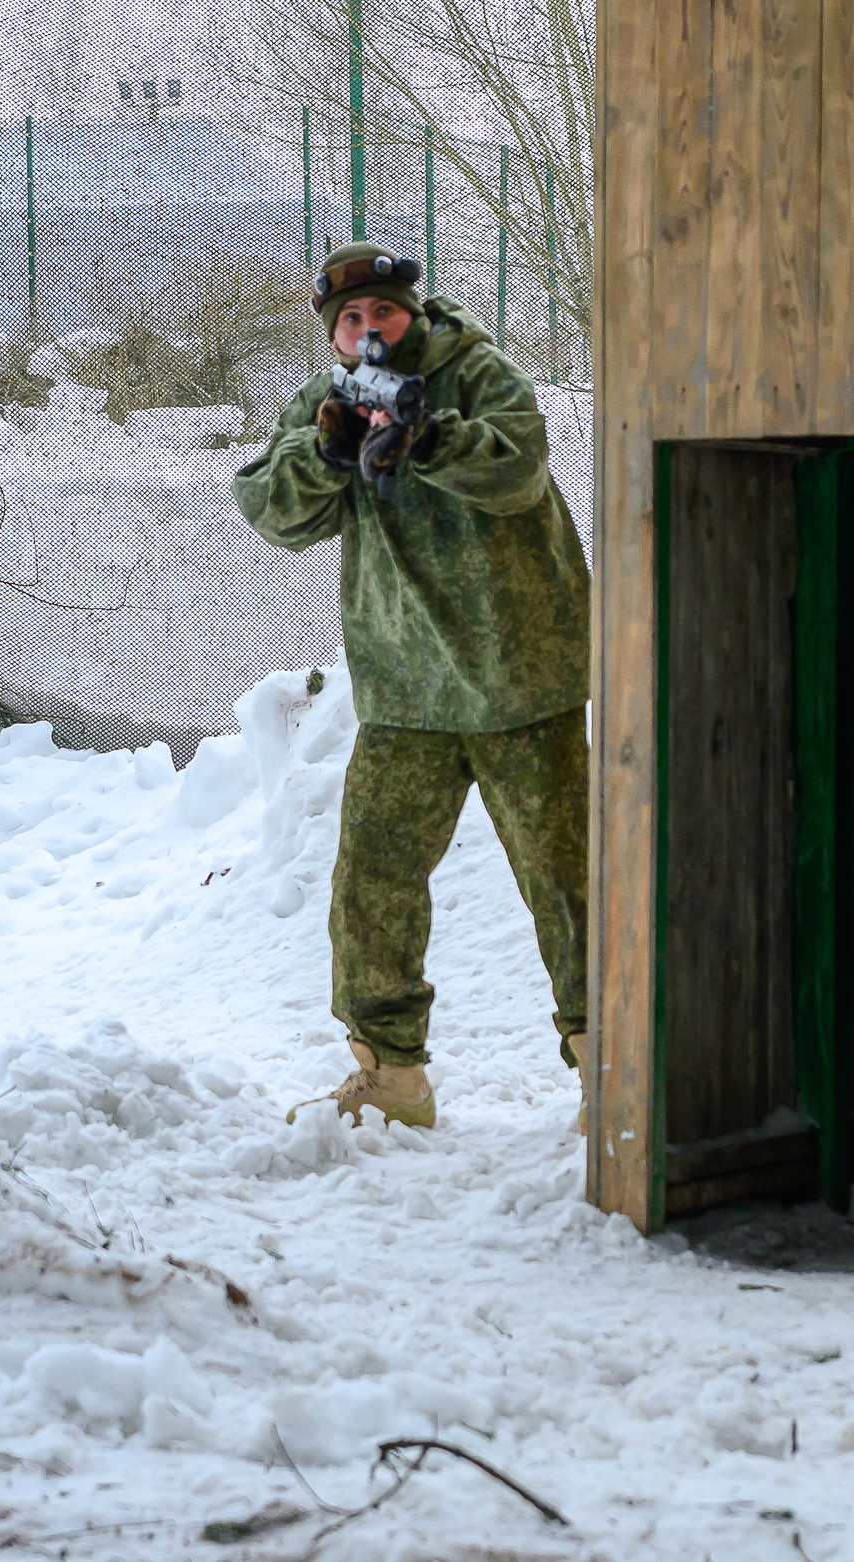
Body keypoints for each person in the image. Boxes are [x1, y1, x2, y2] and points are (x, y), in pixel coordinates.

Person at [233, 242, 590, 1130]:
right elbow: (270, 511)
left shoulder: (477, 375)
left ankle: (614, 1069)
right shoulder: (334, 398)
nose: (367, 331)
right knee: (373, 885)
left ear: (412, 312)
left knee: (571, 884)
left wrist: (430, 438)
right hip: (405, 693)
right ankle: (390, 1075)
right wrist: (327, 451)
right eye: (349, 322)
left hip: (519, 678)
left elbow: (516, 471)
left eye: (381, 314)